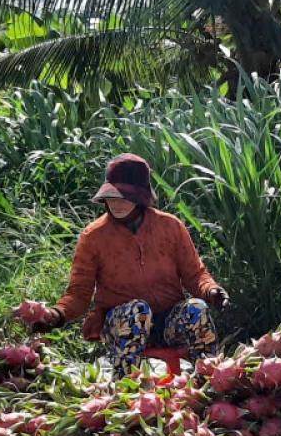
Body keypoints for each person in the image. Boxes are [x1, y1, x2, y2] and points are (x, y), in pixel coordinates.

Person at [18, 154, 229, 378]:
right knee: (137, 310)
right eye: (112, 196)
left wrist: (211, 291)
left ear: (141, 198)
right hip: (122, 323)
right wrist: (55, 315)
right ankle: (127, 387)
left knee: (196, 307)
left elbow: (194, 274)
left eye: (124, 197)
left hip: (168, 321)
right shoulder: (94, 237)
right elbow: (79, 294)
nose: (116, 203)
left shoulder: (170, 227)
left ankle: (207, 384)